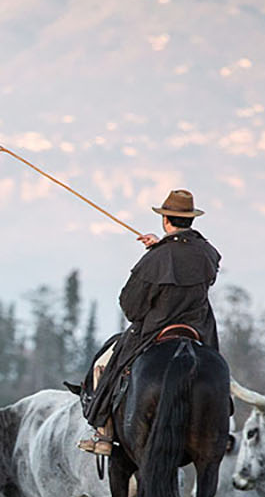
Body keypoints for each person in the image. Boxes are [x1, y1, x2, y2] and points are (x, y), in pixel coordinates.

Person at [78, 188, 221, 455]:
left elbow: (131, 308)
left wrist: (158, 253)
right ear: (190, 220)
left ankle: (104, 434)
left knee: (103, 365)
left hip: (156, 329)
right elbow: (186, 258)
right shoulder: (208, 253)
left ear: (166, 219)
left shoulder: (156, 258)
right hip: (200, 329)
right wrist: (163, 245)